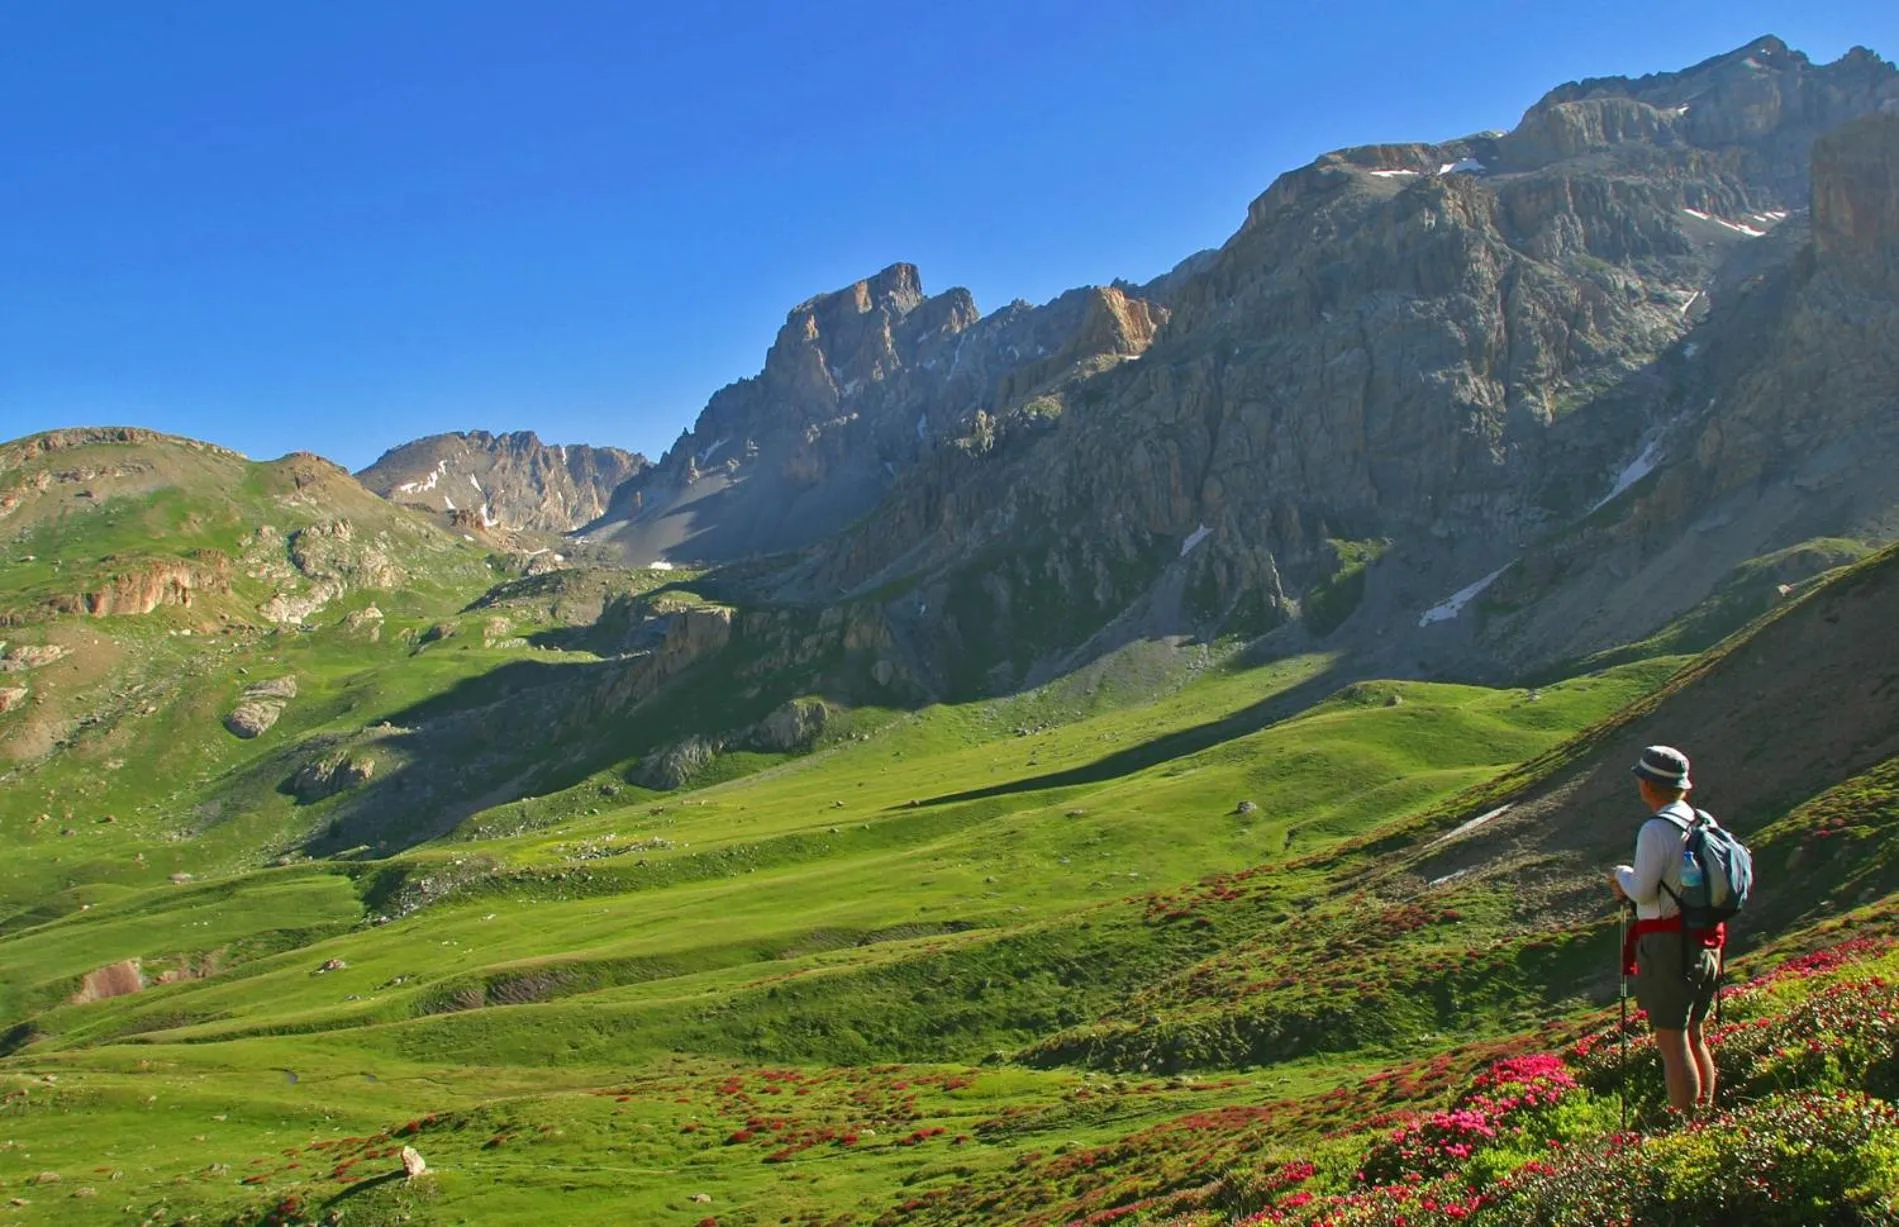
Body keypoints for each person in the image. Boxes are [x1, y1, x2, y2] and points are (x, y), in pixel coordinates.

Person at [1609, 744, 1725, 1114]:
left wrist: (1621, 876)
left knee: (1671, 1041)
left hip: (1669, 946)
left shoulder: (1656, 829)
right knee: (1695, 1033)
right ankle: (1705, 1114)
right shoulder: (1702, 821)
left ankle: (1685, 1125)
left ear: (1646, 785)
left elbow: (1642, 890)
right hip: (1705, 940)